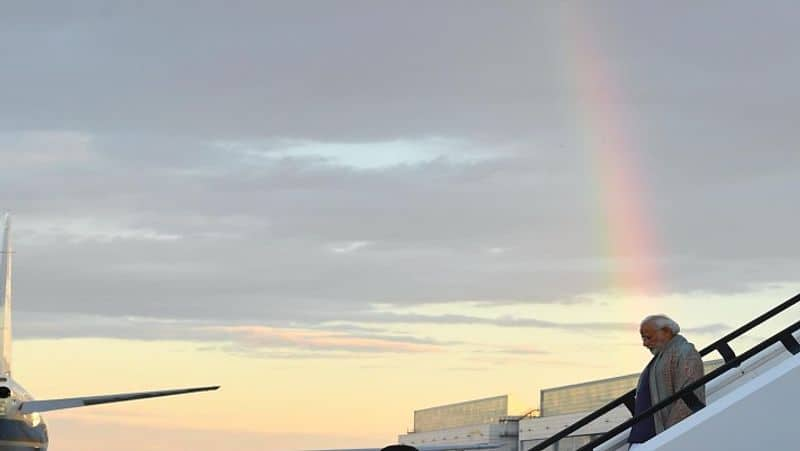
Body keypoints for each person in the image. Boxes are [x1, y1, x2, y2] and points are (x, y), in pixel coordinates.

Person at [628, 315, 705, 449]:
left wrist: (667, 436)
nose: (645, 343)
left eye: (648, 337)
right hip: (645, 439)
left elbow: (689, 398)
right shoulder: (662, 356)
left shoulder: (684, 352)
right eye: (643, 338)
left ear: (667, 331)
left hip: (657, 438)